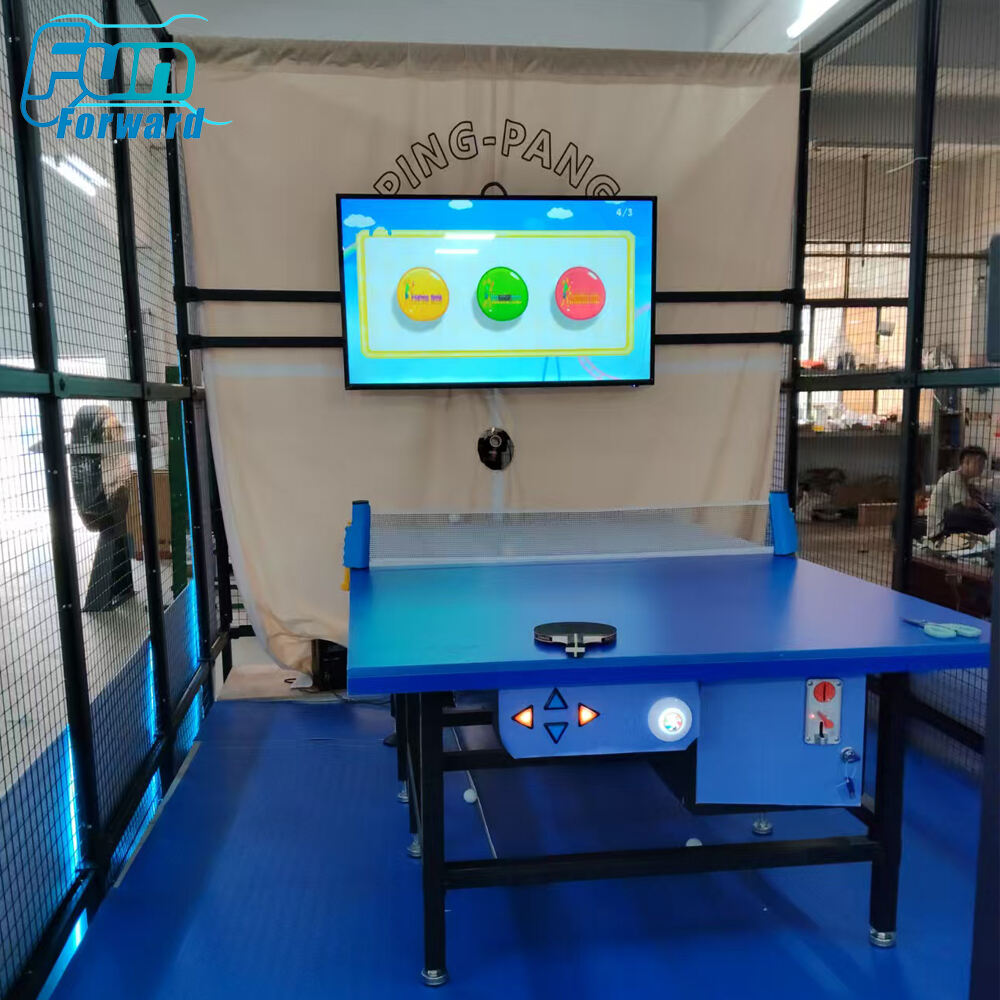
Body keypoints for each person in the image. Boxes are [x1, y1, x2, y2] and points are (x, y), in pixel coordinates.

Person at [925, 445, 995, 538]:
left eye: (983, 464)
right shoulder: (953, 476)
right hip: (939, 531)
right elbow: (966, 504)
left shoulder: (965, 482)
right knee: (985, 520)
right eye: (979, 463)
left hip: (950, 526)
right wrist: (987, 512)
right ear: (966, 462)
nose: (982, 467)